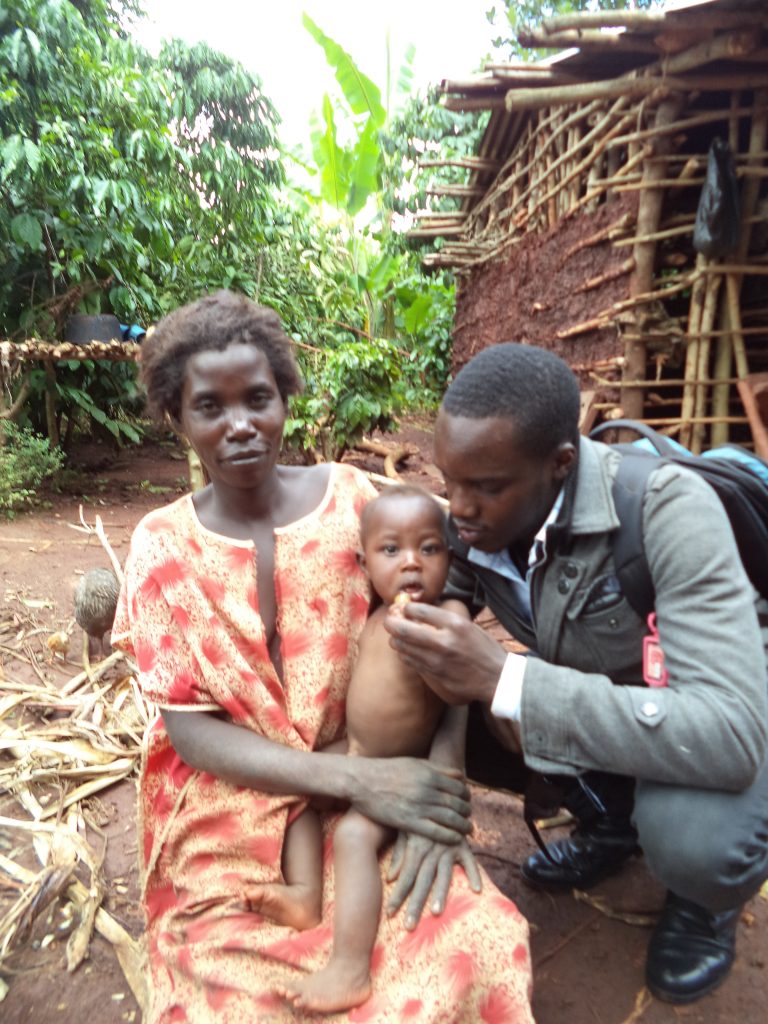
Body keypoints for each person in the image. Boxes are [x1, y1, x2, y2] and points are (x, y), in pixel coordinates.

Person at [112, 291, 534, 1024]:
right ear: (177, 419)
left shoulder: (357, 507)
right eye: (210, 406)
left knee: (477, 937)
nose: (241, 424)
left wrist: (438, 785)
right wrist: (362, 779)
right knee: (232, 996)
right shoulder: (161, 547)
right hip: (228, 810)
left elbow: (441, 648)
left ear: (285, 399)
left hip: (374, 786)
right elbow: (190, 732)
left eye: (259, 398)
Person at [385, 342, 768, 1006]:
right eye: (450, 481)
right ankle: (612, 824)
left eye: (485, 487)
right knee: (430, 688)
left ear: (561, 464)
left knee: (695, 839)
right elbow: (463, 565)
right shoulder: (485, 514)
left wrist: (509, 680)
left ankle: (706, 902)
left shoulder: (668, 513)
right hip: (623, 692)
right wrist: (448, 611)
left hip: (721, 706)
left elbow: (730, 735)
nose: (460, 508)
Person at [277, 485, 476, 1013]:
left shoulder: (445, 617)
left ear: (449, 557)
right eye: (392, 551)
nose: (411, 563)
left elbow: (460, 693)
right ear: (365, 564)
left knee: (351, 837)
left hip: (401, 768)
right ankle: (303, 895)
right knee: (295, 780)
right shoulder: (375, 615)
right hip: (356, 750)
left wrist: (432, 648)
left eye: (429, 549)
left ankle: (350, 965)